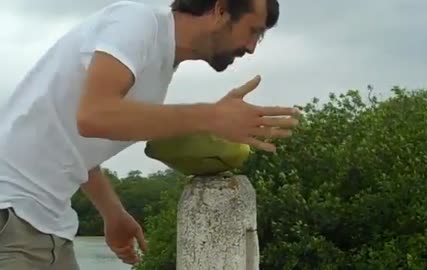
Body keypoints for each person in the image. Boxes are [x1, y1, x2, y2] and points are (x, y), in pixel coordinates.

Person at [0, 0, 299, 269]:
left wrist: (113, 213)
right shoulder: (136, 23)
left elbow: (73, 143)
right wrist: (211, 116)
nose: (251, 47)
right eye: (253, 31)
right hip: (10, 216)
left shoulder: (159, 68)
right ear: (220, 10)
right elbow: (93, 116)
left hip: (49, 226)